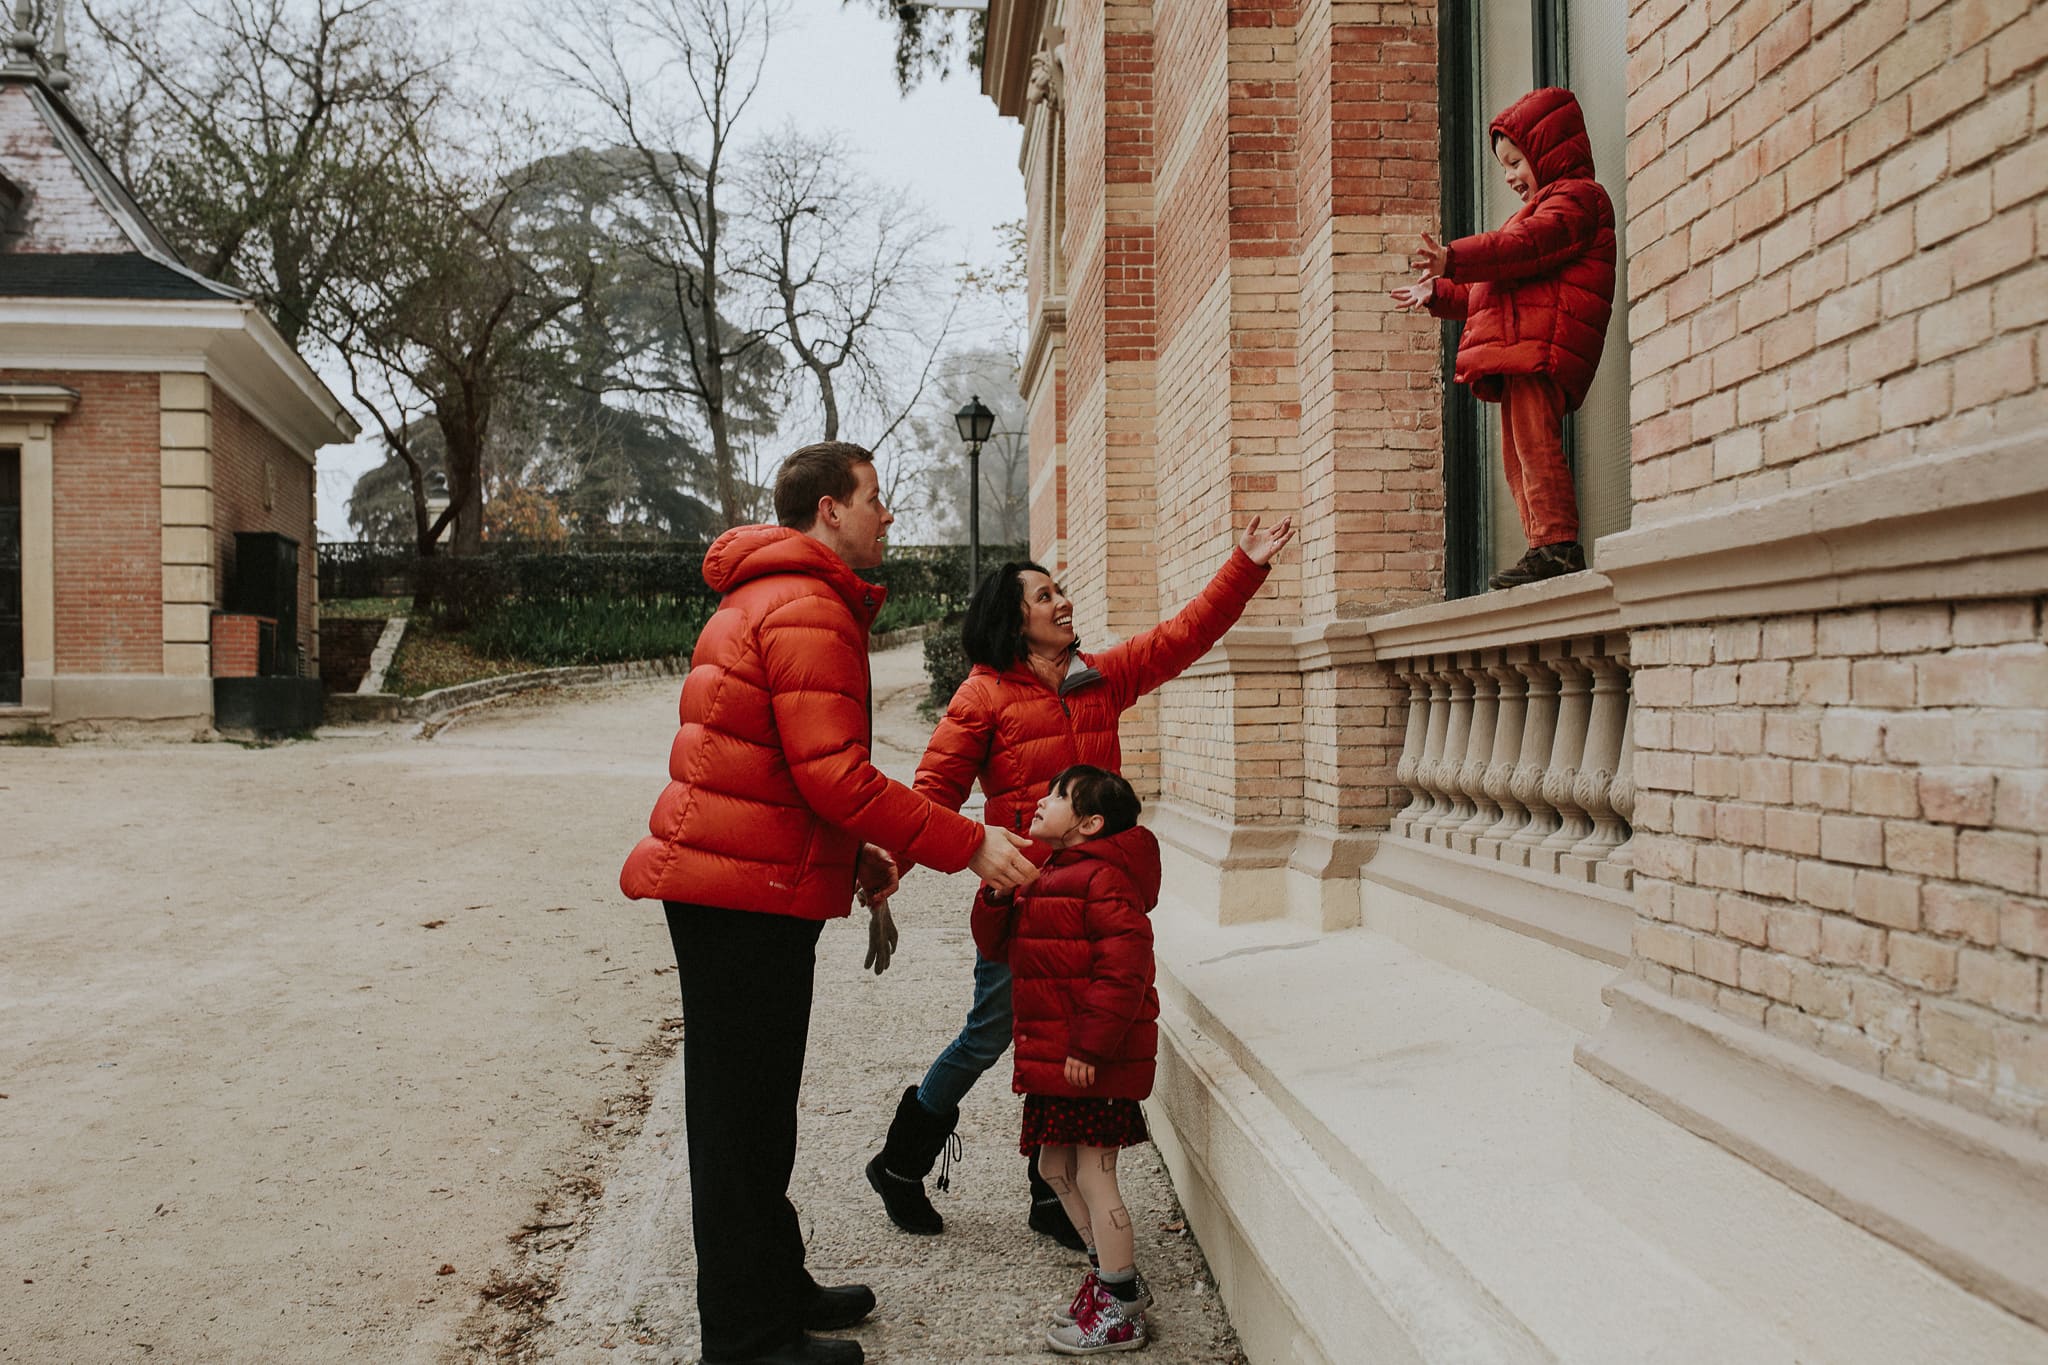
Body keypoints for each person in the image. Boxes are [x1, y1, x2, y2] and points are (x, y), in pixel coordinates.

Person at [619, 441, 1040, 1365]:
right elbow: (835, 776)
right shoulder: (807, 603)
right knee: (739, 1122)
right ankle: (748, 1339)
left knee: (758, 1110)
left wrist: (853, 860)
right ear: (828, 511)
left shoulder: (784, 594)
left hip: (744, 883)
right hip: (738, 895)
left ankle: (774, 1285)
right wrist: (969, 843)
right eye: (875, 499)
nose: (888, 515)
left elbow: (787, 770)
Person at [863, 515, 1294, 1242]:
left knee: (1069, 1037)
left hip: (1097, 896)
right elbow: (933, 790)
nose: (1063, 601)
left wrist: (1244, 565)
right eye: (1043, 595)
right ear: (1013, 618)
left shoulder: (1101, 678)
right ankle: (901, 1161)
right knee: (991, 1031)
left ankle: (1047, 1195)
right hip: (1023, 898)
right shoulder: (982, 697)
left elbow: (1183, 635)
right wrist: (889, 867)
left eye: (1061, 590)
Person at [1391, 85, 1617, 590]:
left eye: (1517, 162)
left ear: (1548, 150)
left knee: (1536, 445)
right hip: (1521, 348)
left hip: (1542, 347)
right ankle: (1543, 543)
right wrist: (1438, 293)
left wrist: (1456, 256)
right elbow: (1485, 288)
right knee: (1517, 453)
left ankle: (1558, 545)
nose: (1512, 176)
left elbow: (1523, 249)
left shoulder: (1578, 200)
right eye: (1506, 167)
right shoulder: (1536, 210)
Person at [970, 765, 1161, 1356]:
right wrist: (998, 896)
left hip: (1093, 1061)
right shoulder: (1049, 871)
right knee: (1054, 1170)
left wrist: (1089, 1045)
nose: (1040, 801)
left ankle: (1121, 1302)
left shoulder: (1105, 880)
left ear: (1089, 823)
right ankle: (1108, 1273)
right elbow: (995, 946)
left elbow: (1124, 972)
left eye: (1057, 796)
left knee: (1094, 1177)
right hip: (1059, 1056)